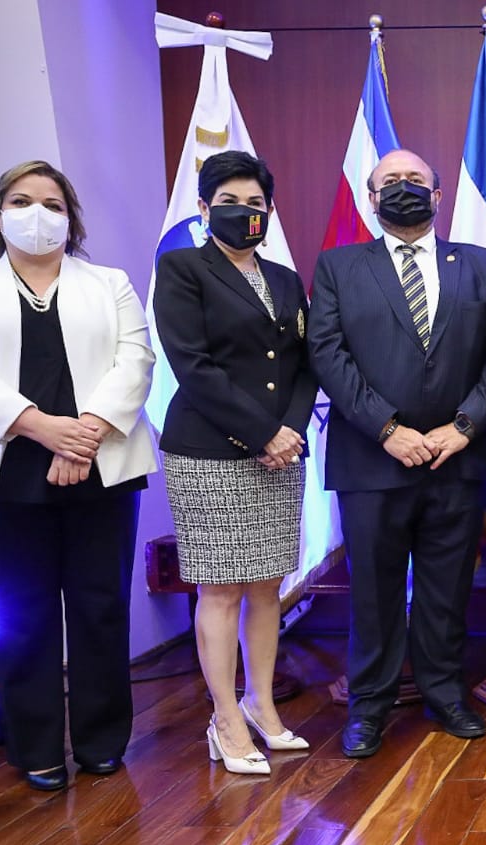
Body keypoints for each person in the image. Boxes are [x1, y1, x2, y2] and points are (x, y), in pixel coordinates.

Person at [0, 161, 156, 791]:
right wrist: (42, 428)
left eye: (53, 204)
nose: (38, 214)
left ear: (71, 220)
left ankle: (102, 742)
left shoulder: (110, 284)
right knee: (22, 610)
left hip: (102, 461)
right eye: (22, 201)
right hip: (4, 469)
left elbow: (136, 361)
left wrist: (83, 435)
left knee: (100, 605)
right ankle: (37, 747)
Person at [308, 149, 486, 758]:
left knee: (448, 590)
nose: (402, 187)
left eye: (415, 180)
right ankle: (369, 706)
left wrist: (464, 427)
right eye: (389, 181)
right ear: (371, 198)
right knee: (373, 592)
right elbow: (327, 354)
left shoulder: (482, 264)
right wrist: (387, 429)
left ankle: (446, 695)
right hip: (372, 460)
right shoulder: (339, 266)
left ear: (438, 196)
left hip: (456, 458)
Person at [154, 151, 316, 775]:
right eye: (228, 202)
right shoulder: (182, 268)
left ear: (269, 211)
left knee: (267, 585)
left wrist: (289, 431)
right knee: (221, 588)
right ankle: (224, 719)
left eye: (255, 204)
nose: (243, 213)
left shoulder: (284, 278)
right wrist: (264, 434)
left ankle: (260, 704)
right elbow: (192, 366)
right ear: (203, 208)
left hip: (281, 453)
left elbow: (303, 363)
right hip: (210, 451)